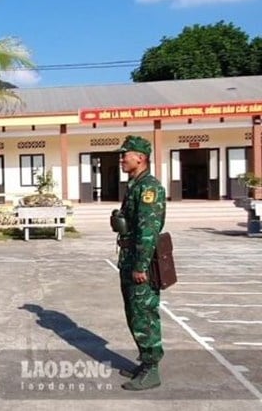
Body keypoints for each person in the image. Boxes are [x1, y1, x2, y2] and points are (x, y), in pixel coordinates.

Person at [113, 135, 166, 391]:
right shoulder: (135, 184)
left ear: (140, 158)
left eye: (126, 154)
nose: (122, 158)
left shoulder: (149, 188)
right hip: (130, 258)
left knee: (144, 315)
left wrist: (141, 267)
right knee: (134, 314)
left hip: (140, 261)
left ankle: (152, 368)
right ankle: (145, 362)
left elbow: (148, 231)